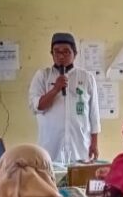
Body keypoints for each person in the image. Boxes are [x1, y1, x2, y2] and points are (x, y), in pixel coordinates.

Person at [28, 33, 101, 163]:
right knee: (49, 182)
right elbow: (37, 106)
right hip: (50, 148)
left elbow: (94, 115)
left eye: (66, 52)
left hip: (79, 146)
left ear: (75, 53)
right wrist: (56, 89)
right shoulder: (42, 76)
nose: (61, 56)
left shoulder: (86, 78)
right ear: (52, 54)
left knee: (79, 182)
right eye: (57, 52)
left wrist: (94, 144)